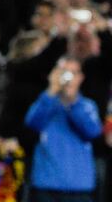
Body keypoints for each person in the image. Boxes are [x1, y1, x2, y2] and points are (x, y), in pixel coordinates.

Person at [25, 56, 102, 202]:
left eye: (73, 73)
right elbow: (32, 123)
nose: (68, 78)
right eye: (64, 72)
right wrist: (51, 91)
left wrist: (72, 102)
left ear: (81, 78)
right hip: (46, 187)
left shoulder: (87, 105)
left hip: (79, 189)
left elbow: (92, 131)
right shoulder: (45, 102)